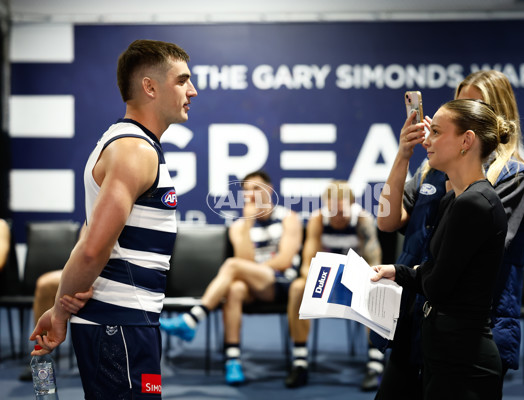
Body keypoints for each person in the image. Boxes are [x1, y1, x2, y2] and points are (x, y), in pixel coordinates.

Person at [29, 39, 197, 398]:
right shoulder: (133, 150)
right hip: (120, 326)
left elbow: (89, 237)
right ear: (149, 87)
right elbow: (92, 250)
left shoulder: (130, 144)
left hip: (127, 323)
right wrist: (59, 311)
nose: (192, 91)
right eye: (182, 80)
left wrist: (59, 304)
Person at [376, 70, 524, 399]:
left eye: (475, 105)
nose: (428, 139)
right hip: (421, 315)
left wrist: (407, 274)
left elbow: (469, 258)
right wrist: (403, 155)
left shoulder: (510, 178)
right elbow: (385, 221)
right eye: (460, 101)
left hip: (469, 325)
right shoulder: (431, 170)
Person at [159, 170, 303, 386]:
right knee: (235, 288)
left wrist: (254, 269)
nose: (251, 195)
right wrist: (247, 224)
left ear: (269, 190)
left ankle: (192, 319)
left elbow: (283, 260)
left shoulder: (288, 218)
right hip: (254, 285)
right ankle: (233, 360)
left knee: (233, 266)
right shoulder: (238, 226)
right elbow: (244, 259)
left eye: (256, 189)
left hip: (281, 283)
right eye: (246, 190)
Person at [284, 180, 383, 390]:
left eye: (342, 211)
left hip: (356, 280)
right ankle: (300, 361)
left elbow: (375, 263)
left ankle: (375, 365)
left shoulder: (363, 220)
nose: (338, 216)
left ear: (352, 206)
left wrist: (358, 279)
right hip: (325, 279)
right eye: (333, 211)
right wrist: (322, 280)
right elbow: (306, 264)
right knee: (297, 287)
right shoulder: (318, 220)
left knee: (376, 288)